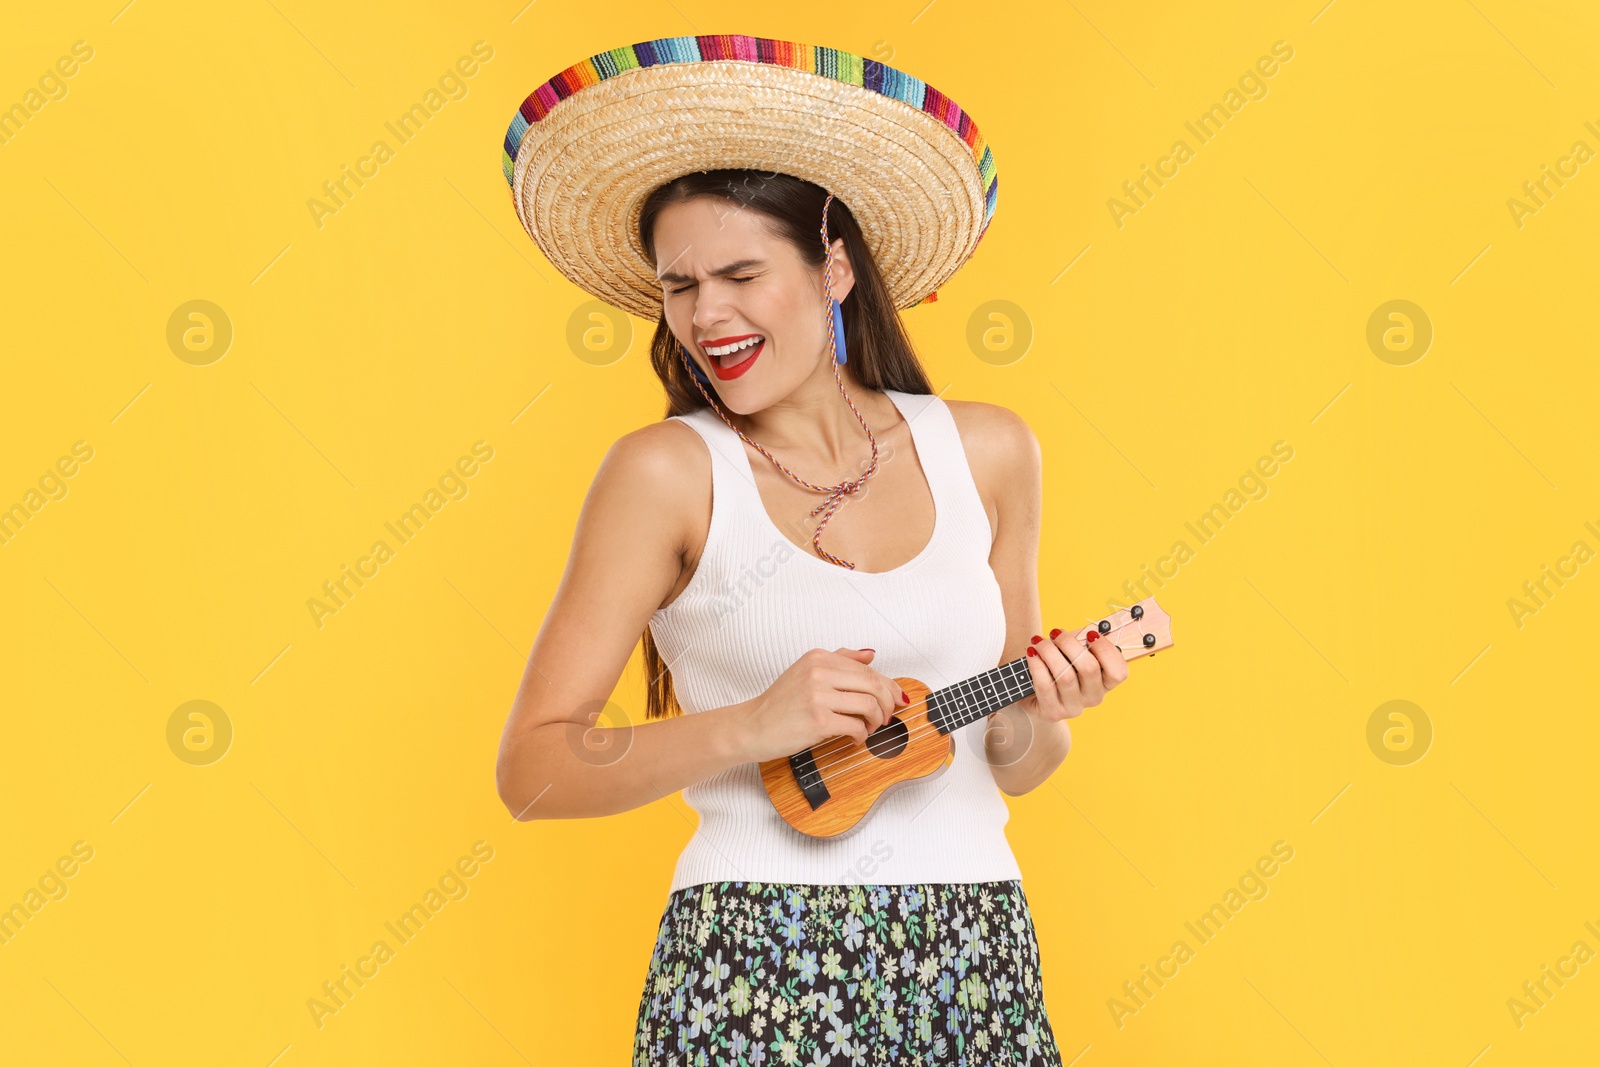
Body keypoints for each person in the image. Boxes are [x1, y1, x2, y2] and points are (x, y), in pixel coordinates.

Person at [493, 35, 1129, 1065]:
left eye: (741, 272)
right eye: (679, 285)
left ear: (834, 265)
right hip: (749, 954)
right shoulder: (665, 474)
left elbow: (1013, 763)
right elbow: (532, 767)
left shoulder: (989, 450)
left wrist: (1045, 706)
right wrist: (752, 723)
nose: (707, 315)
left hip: (971, 949)